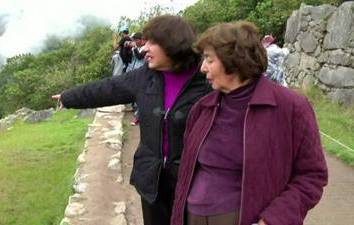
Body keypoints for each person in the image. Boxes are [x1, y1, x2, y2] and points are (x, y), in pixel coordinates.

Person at [52, 15, 211, 225]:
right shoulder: (145, 76)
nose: (145, 49)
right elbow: (108, 89)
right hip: (151, 181)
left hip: (192, 183)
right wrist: (69, 97)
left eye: (153, 43)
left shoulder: (207, 80)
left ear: (173, 45)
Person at [171, 21, 328, 225]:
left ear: (234, 60)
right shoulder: (203, 108)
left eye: (209, 59)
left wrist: (272, 220)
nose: (202, 68)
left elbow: (312, 175)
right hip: (192, 217)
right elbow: (187, 170)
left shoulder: (292, 107)